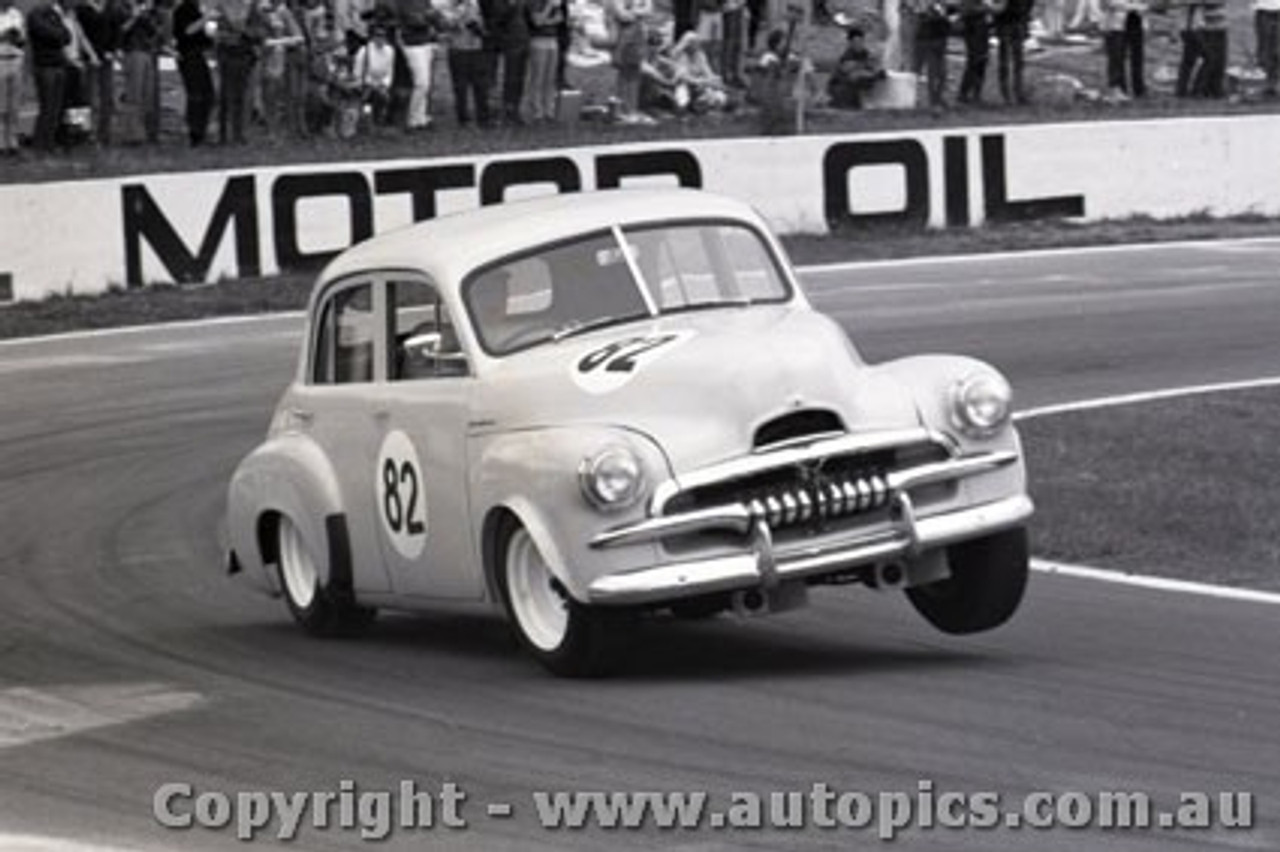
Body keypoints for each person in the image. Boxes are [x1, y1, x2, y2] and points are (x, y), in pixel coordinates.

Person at [211, 0, 264, 144]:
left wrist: (245, 31)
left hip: (244, 56)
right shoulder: (222, 7)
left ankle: (239, 134)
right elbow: (215, 33)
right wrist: (225, 37)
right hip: (227, 56)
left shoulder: (252, 9)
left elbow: (260, 33)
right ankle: (224, 134)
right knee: (225, 96)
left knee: (242, 97)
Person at [27, 0, 75, 151]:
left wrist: (57, 34)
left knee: (56, 108)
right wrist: (57, 34)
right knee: (47, 107)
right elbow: (47, 33)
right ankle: (40, 145)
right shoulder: (34, 15)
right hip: (44, 66)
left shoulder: (54, 15)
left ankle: (50, 143)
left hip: (59, 65)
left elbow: (68, 37)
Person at [76, 0, 122, 146]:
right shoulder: (82, 9)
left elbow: (117, 30)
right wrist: (96, 53)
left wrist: (114, 49)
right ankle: (85, 134)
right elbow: (81, 36)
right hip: (88, 58)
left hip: (107, 59)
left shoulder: (110, 8)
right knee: (88, 99)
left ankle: (105, 134)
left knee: (107, 98)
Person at [258, 0, 303, 139]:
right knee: (267, 95)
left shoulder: (284, 12)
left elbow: (299, 37)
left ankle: (282, 130)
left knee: (278, 95)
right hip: (262, 58)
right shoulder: (260, 8)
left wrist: (277, 42)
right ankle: (270, 129)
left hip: (279, 58)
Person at [172, 0, 215, 144]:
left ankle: (202, 129)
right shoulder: (183, 9)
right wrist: (206, 18)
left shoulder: (197, 9)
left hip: (199, 54)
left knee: (208, 93)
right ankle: (195, 133)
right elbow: (188, 30)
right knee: (196, 94)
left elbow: (202, 35)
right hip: (188, 55)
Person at [396, 0, 441, 129]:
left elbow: (437, 18)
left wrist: (429, 17)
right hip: (412, 43)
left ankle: (421, 117)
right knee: (421, 82)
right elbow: (415, 21)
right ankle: (412, 118)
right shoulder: (404, 3)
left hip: (426, 42)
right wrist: (429, 18)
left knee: (426, 83)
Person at [607, 0, 651, 122]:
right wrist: (638, 11)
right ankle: (621, 109)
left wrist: (633, 11)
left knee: (635, 73)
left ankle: (632, 108)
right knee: (623, 73)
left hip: (639, 35)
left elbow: (648, 10)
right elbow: (622, 15)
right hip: (623, 35)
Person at [827, 24, 885, 108]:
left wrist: (875, 69)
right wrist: (866, 68)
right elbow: (850, 72)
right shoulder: (847, 55)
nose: (858, 45)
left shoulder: (865, 53)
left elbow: (873, 66)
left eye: (860, 42)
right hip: (840, 88)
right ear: (850, 43)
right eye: (855, 42)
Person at [491, 0, 529, 123]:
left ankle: (515, 109)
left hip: (523, 41)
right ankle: (506, 110)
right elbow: (498, 20)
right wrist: (512, 5)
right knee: (510, 77)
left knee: (519, 78)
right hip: (510, 42)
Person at [525, 0, 563, 121]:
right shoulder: (534, 3)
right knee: (538, 76)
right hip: (538, 39)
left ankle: (548, 109)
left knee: (550, 77)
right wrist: (549, 7)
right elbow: (537, 21)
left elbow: (559, 19)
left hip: (552, 39)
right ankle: (536, 110)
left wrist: (546, 20)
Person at [353, 22, 396, 124]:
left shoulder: (390, 51)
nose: (380, 38)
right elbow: (357, 72)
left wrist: (384, 84)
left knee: (384, 96)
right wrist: (370, 84)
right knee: (368, 97)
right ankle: (366, 116)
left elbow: (390, 71)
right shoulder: (364, 51)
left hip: (380, 82)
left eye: (383, 35)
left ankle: (380, 116)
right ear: (373, 37)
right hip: (366, 83)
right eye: (378, 35)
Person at [1101, 0, 1144, 98]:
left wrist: (1141, 7)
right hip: (1115, 24)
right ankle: (1117, 88)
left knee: (1137, 57)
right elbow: (1108, 3)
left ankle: (1138, 88)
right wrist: (1133, 6)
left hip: (1134, 21)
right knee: (1116, 58)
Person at [914, 0, 951, 108]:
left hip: (939, 38)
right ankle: (934, 101)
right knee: (933, 72)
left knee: (942, 74)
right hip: (928, 39)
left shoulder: (940, 4)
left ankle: (937, 98)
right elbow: (923, 16)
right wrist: (942, 16)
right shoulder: (926, 4)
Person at [994, 0, 1032, 103]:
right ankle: (1007, 93)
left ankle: (1016, 92)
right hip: (1006, 23)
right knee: (1007, 60)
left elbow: (1028, 6)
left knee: (1017, 60)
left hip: (1015, 22)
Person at [0, 0, 24, 154]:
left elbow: (22, 40)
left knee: (14, 106)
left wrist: (17, 37)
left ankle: (13, 142)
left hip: (16, 59)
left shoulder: (16, 14)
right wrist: (3, 35)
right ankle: (1, 143)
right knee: (0, 105)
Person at [956, 0, 990, 104]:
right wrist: (986, 8)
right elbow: (966, 10)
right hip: (973, 30)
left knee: (981, 61)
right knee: (974, 61)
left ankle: (975, 93)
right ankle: (964, 93)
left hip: (980, 29)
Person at [1257, 0, 1280, 97]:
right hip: (1264, 9)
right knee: (1266, 49)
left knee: (1274, 49)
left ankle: (1273, 83)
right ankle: (1270, 84)